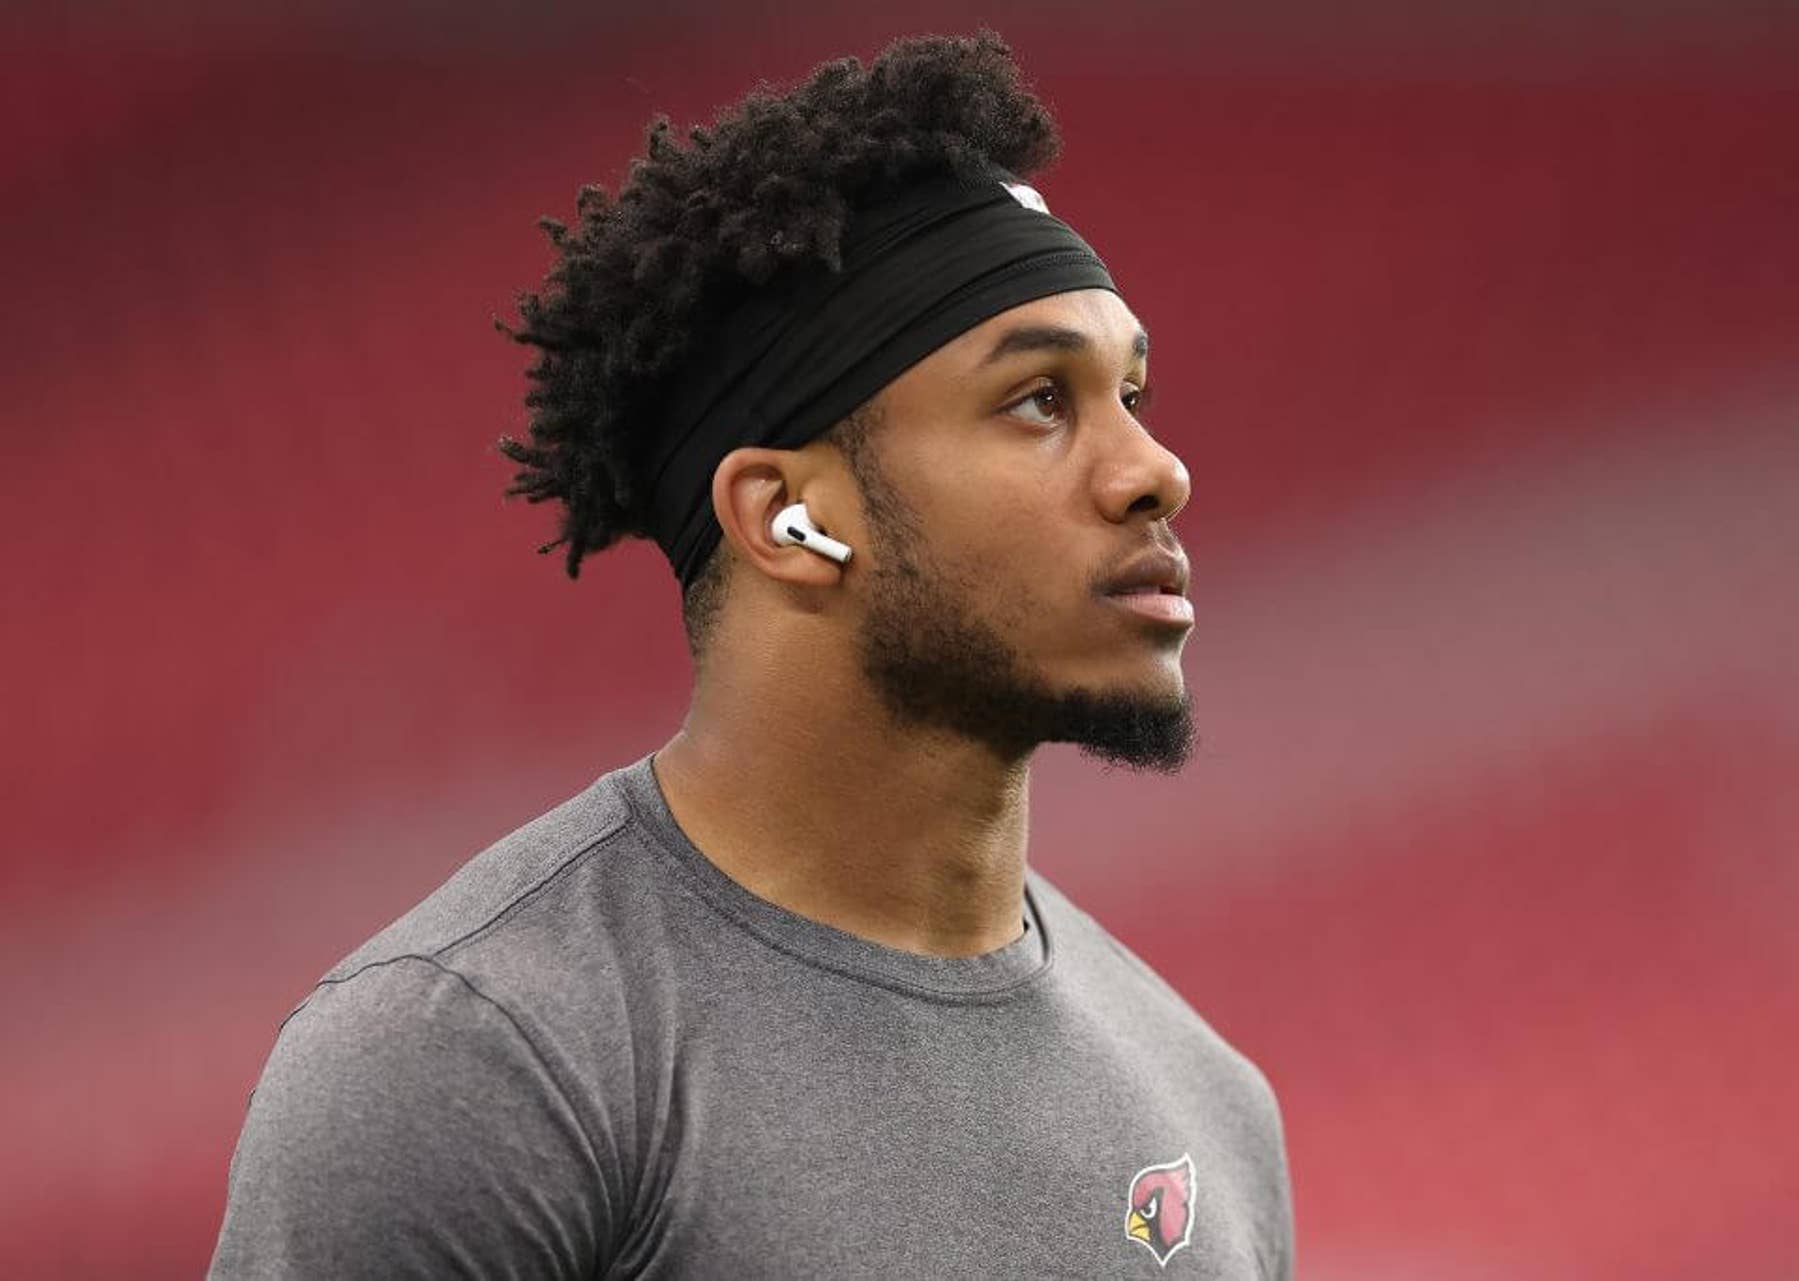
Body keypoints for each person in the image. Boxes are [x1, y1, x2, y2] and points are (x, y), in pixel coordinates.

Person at [211, 31, 1293, 1279]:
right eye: (1039, 400)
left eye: (1131, 398)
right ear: (788, 519)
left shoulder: (1210, 1105)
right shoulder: (480, 1060)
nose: (1157, 471)